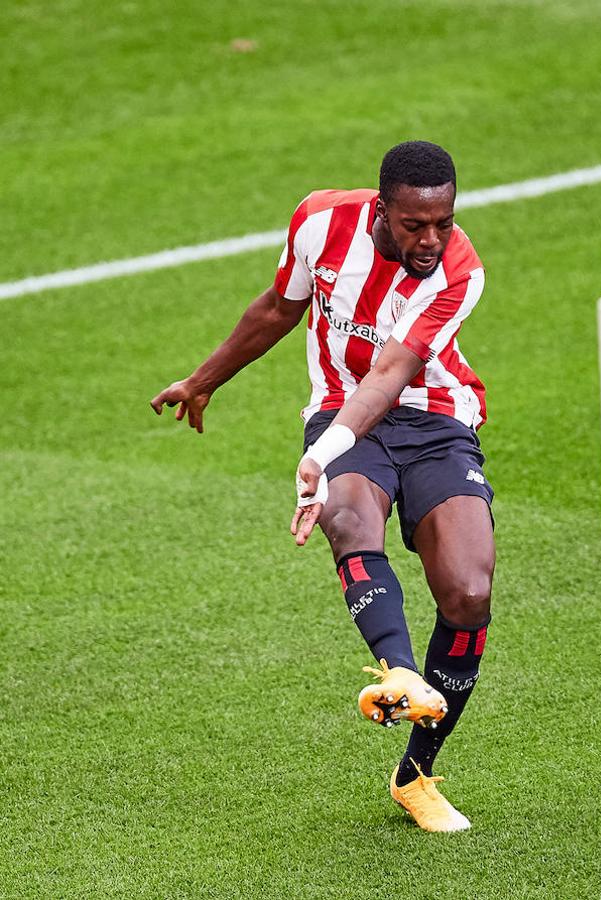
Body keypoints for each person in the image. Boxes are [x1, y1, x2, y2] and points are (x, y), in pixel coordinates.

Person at [151, 141, 492, 830]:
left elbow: (393, 373)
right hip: (342, 414)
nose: (431, 239)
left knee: (467, 592)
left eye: (443, 222)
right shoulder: (318, 222)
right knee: (348, 521)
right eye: (413, 225)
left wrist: (320, 455)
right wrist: (202, 379)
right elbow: (280, 309)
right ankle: (397, 671)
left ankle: (415, 774)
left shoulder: (457, 271)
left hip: (432, 420)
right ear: (380, 210)